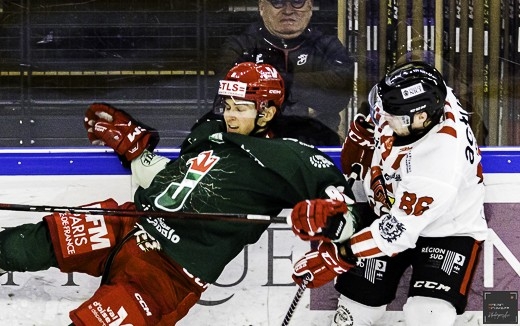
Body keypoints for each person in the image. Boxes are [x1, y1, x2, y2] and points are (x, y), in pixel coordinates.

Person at [0, 62, 359, 325]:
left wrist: (328, 221)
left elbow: (353, 217)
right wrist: (139, 153)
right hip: (127, 223)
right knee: (16, 246)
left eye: (241, 109)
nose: (230, 116)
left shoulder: (291, 158)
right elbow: (178, 179)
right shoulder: (209, 131)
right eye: (227, 106)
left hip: (168, 274)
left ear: (267, 111)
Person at [288, 61, 488, 326]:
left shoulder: (439, 163)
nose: (383, 120)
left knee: (428, 315)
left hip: (449, 229)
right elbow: (386, 116)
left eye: (390, 118)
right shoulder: (424, 100)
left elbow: (396, 233)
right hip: (388, 211)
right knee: (356, 311)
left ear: (421, 119)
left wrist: (341, 255)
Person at [217, 0, 355, 137]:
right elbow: (227, 90)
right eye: (278, 2)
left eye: (297, 2)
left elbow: (339, 96)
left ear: (310, 6)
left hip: (316, 143)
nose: (288, 11)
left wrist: (273, 84)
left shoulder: (327, 44)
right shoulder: (240, 45)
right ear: (261, 7)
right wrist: (306, 85)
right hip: (255, 142)